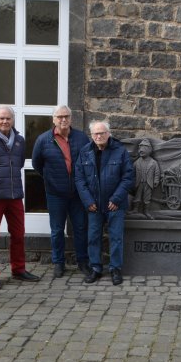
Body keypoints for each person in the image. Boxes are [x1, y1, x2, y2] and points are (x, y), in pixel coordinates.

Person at [0, 106, 40, 289]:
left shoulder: (19, 140)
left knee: (18, 234)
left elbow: (18, 164)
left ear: (13, 120)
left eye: (8, 118)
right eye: (1, 118)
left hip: (14, 195)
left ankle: (18, 269)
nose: (5, 121)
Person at [31, 105, 92, 280]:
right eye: (59, 117)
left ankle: (82, 261)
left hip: (78, 194)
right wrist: (51, 178)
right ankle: (58, 263)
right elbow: (36, 163)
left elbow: (89, 160)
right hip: (55, 193)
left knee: (80, 228)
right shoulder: (44, 140)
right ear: (54, 119)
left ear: (71, 118)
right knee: (57, 230)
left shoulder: (81, 138)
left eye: (66, 116)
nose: (63, 119)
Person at [74, 120, 135, 285]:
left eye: (102, 133)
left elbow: (128, 177)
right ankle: (95, 268)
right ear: (91, 135)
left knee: (116, 237)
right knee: (93, 237)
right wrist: (88, 201)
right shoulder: (84, 152)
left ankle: (115, 269)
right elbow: (79, 179)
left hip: (115, 204)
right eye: (95, 133)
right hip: (93, 204)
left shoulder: (120, 151)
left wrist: (116, 198)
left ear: (108, 134)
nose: (99, 136)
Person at [133, 139, 160, 219]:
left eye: (143, 149)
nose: (141, 151)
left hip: (148, 183)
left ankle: (146, 211)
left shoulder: (153, 162)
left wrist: (156, 180)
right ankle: (135, 209)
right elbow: (131, 172)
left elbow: (157, 173)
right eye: (140, 149)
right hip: (139, 183)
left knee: (147, 197)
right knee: (137, 196)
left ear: (149, 150)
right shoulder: (137, 162)